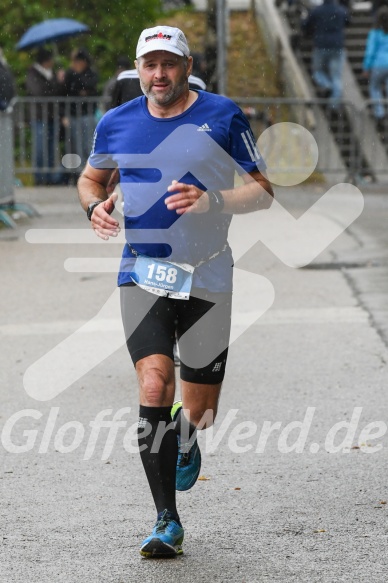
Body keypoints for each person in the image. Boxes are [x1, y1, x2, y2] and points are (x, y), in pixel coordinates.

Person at [77, 25, 274, 558]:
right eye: (149, 64)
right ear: (138, 69)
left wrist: (213, 200)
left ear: (187, 67)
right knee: (155, 384)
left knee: (200, 408)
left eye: (168, 63)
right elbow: (92, 180)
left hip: (209, 273)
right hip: (142, 273)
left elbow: (262, 191)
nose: (158, 74)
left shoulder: (222, 114)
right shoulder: (116, 122)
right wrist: (93, 205)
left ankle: (187, 435)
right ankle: (166, 519)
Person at [26, 47, 64, 185]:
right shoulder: (33, 73)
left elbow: (57, 92)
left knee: (50, 150)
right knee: (40, 149)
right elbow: (39, 92)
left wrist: (58, 81)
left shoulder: (51, 74)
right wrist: (53, 84)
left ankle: (49, 177)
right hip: (39, 117)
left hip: (51, 116)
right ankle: (39, 178)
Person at [302, 0, 350, 105]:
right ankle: (334, 105)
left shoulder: (317, 11)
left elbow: (306, 24)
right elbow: (348, 21)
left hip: (321, 45)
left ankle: (327, 85)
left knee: (317, 72)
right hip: (337, 45)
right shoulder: (341, 10)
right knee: (336, 76)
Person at [62, 48, 98, 170]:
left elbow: (89, 86)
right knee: (74, 146)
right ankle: (76, 172)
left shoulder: (91, 73)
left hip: (87, 114)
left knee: (88, 145)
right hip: (73, 114)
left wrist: (78, 77)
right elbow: (67, 90)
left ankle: (89, 170)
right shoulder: (69, 73)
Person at [363, 7, 388, 129]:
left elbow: (370, 51)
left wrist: (367, 67)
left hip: (378, 64)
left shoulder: (375, 32)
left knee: (375, 88)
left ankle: (379, 113)